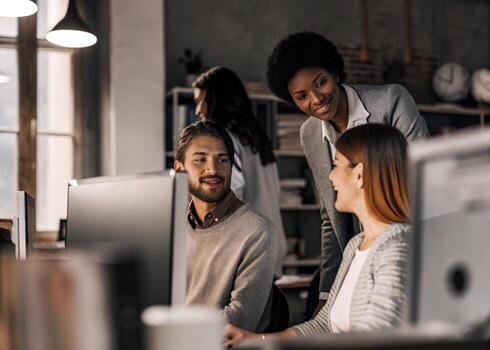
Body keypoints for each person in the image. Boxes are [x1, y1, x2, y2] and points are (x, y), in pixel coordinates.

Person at [266, 31, 428, 313]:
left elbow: (423, 180)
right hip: (357, 255)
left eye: (321, 82)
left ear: (335, 72)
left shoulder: (390, 102)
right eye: (302, 96)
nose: (316, 99)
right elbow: (330, 217)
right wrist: (327, 292)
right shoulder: (309, 134)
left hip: (406, 246)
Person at [225, 123, 412, 347]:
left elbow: (373, 341)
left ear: (359, 175)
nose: (331, 177)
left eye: (336, 166)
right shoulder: (356, 245)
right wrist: (257, 340)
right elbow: (323, 325)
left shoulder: (396, 248)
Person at [173, 121, 278, 332]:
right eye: (200, 159)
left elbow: (240, 319)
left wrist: (174, 331)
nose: (212, 169)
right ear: (179, 168)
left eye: (222, 160)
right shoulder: (171, 226)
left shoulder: (257, 231)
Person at [192, 66, 287, 277]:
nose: (198, 110)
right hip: (272, 246)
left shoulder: (218, 138)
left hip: (246, 253)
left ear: (216, 100)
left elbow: (230, 193)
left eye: (200, 100)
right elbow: (276, 193)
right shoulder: (257, 139)